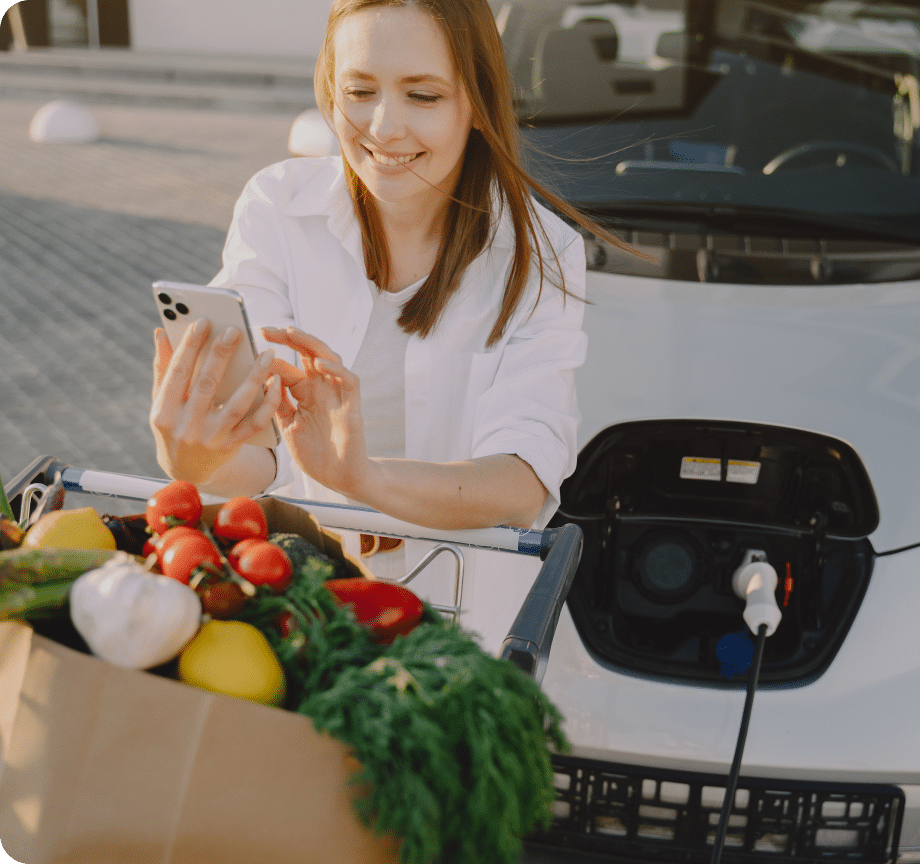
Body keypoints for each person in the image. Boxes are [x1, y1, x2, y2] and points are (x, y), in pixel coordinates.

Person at [150, 0, 635, 551]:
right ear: (331, 92)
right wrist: (189, 454)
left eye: (422, 95)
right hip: (305, 594)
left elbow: (523, 481)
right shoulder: (276, 209)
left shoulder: (541, 251)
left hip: (461, 606)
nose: (384, 127)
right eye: (359, 92)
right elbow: (261, 457)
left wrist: (362, 479)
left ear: (476, 103)